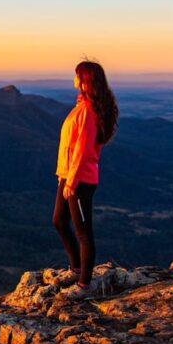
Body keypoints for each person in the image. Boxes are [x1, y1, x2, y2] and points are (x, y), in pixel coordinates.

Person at [52, 59, 119, 299]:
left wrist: (73, 181)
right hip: (68, 175)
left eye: (76, 75)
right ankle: (75, 268)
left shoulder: (89, 112)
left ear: (85, 80)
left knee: (83, 233)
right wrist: (66, 176)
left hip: (80, 180)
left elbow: (81, 149)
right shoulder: (83, 106)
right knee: (59, 221)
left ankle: (84, 286)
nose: (73, 78)